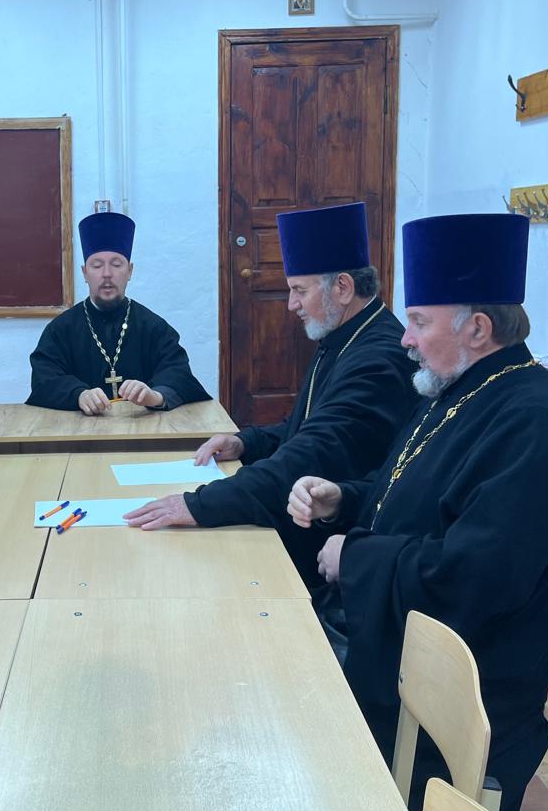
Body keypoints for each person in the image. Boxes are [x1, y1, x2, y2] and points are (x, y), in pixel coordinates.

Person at [286, 212, 548, 811]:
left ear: (478, 328)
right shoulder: (455, 388)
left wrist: (354, 557)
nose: (405, 339)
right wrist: (343, 499)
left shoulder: (539, 422)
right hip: (399, 636)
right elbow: (408, 494)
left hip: (469, 679)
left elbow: (477, 575)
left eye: (419, 322)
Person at [124, 202, 416, 587]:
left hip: (332, 550)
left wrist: (198, 504)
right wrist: (246, 443)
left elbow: (312, 453)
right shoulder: (343, 337)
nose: (291, 304)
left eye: (299, 290)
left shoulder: (378, 359)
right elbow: (303, 427)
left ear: (343, 288)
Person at [27, 211, 210, 414]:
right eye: (97, 265)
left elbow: (178, 373)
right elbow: (44, 379)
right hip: (79, 432)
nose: (107, 274)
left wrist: (155, 396)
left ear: (129, 271)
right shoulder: (60, 330)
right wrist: (78, 395)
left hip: (143, 430)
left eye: (116, 264)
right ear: (85, 273)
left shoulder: (153, 327)